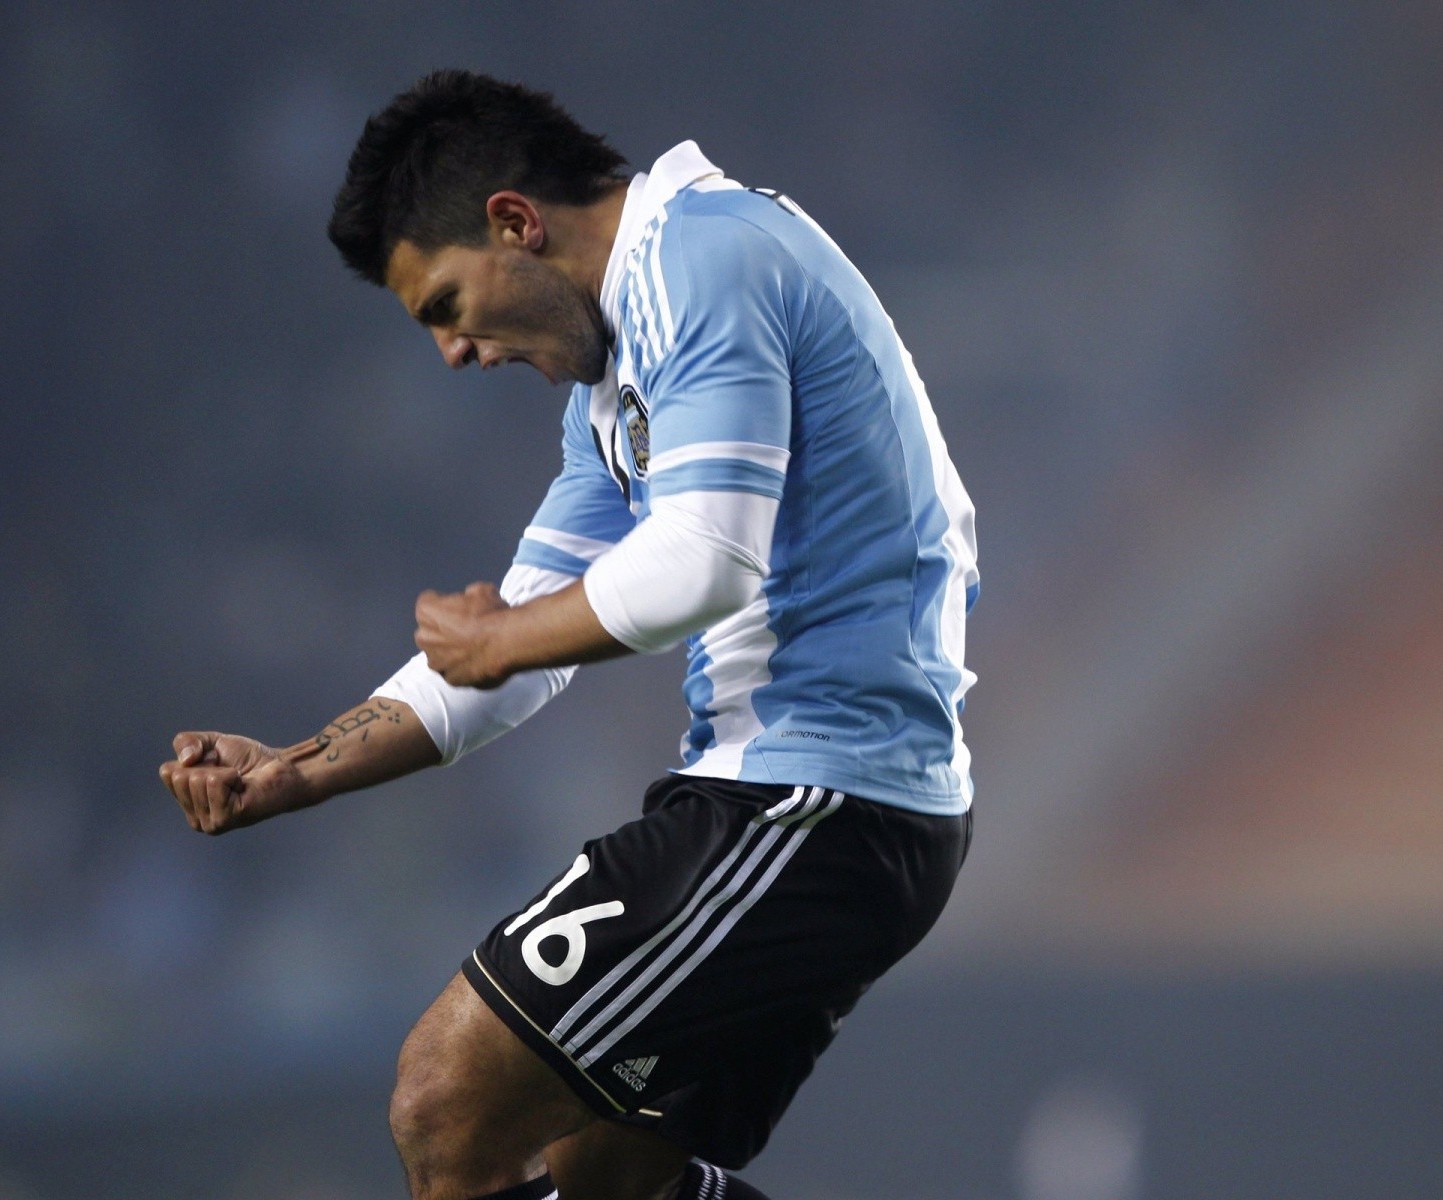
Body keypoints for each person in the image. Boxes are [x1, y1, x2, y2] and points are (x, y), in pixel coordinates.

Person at [157, 70, 978, 1200]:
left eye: (444, 305)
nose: (453, 353)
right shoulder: (612, 388)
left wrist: (499, 642)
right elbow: (503, 660)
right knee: (606, 1178)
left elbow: (700, 559)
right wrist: (295, 770)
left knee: (446, 1097)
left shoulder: (707, 255)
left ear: (513, 223)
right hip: (810, 809)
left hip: (819, 801)